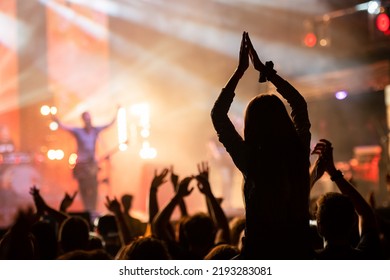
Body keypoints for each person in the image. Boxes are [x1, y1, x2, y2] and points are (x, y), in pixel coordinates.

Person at [211, 32, 312, 259]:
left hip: (259, 255)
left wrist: (239, 72)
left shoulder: (252, 161)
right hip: (299, 253)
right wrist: (268, 74)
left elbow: (218, 115)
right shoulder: (298, 152)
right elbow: (299, 105)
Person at [311, 139, 383, 259]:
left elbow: (291, 217)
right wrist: (334, 172)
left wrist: (313, 176)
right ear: (353, 222)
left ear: (319, 227)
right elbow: (366, 214)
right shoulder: (367, 257)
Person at [53, 109, 118, 213]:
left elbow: (109, 124)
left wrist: (117, 112)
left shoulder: (95, 130)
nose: (88, 121)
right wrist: (55, 118)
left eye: (89, 118)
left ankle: (93, 209)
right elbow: (63, 126)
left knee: (94, 187)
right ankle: (87, 210)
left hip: (92, 164)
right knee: (83, 188)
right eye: (86, 119)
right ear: (83, 120)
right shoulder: (78, 131)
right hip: (81, 165)